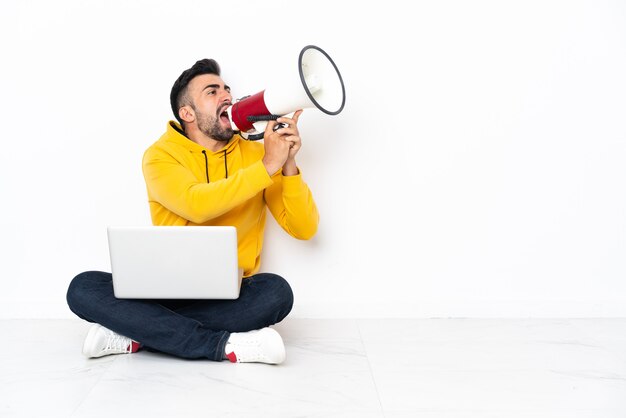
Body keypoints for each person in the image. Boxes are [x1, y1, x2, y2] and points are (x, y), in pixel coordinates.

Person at [66, 58, 319, 364]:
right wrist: (267, 166)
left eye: (227, 89)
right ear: (187, 113)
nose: (226, 95)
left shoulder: (258, 154)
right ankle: (221, 345)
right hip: (165, 288)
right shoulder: (160, 156)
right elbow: (197, 205)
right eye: (212, 92)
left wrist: (287, 163)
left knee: (277, 293)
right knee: (83, 287)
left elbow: (303, 228)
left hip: (232, 291)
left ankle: (137, 331)